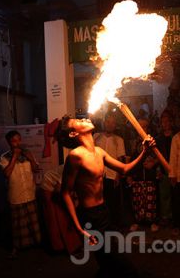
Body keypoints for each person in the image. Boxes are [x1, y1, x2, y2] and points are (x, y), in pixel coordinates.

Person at [58, 116, 155, 278]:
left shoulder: (99, 151)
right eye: (79, 121)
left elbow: (124, 169)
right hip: (90, 217)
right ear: (73, 134)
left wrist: (145, 151)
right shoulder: (76, 156)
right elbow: (65, 192)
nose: (85, 119)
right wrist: (79, 229)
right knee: (120, 263)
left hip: (104, 211)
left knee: (108, 263)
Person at [0, 130, 42, 259]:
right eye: (13, 141)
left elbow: (35, 169)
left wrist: (30, 158)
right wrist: (14, 157)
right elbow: (6, 174)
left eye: (18, 140)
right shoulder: (4, 157)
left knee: (32, 222)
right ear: (8, 142)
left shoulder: (27, 153)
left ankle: (36, 244)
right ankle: (16, 247)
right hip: (16, 195)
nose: (17, 143)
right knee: (17, 224)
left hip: (29, 192)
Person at [93, 113, 127, 230]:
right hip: (98, 175)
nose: (109, 124)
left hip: (112, 176)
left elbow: (120, 159)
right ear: (104, 122)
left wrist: (118, 175)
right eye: (108, 121)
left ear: (115, 125)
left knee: (113, 202)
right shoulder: (96, 137)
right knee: (100, 202)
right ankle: (102, 226)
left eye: (112, 122)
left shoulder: (119, 140)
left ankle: (114, 226)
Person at [39, 164, 82, 254]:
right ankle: (59, 248)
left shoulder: (82, 171)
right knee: (54, 219)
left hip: (60, 189)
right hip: (48, 188)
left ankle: (71, 245)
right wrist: (71, 202)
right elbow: (58, 189)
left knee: (65, 217)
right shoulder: (70, 169)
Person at [126, 118, 160, 232]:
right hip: (137, 176)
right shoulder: (132, 143)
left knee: (151, 201)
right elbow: (129, 160)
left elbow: (159, 157)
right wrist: (129, 175)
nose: (142, 129)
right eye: (140, 126)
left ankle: (153, 222)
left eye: (145, 126)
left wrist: (154, 163)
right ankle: (137, 222)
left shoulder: (152, 142)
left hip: (150, 176)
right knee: (137, 201)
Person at [155, 112, 174, 226]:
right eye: (163, 122)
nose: (165, 124)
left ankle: (174, 217)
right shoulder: (159, 138)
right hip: (163, 170)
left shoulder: (176, 137)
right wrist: (158, 170)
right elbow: (156, 155)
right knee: (164, 195)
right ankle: (165, 217)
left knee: (175, 194)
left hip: (176, 170)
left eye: (167, 121)